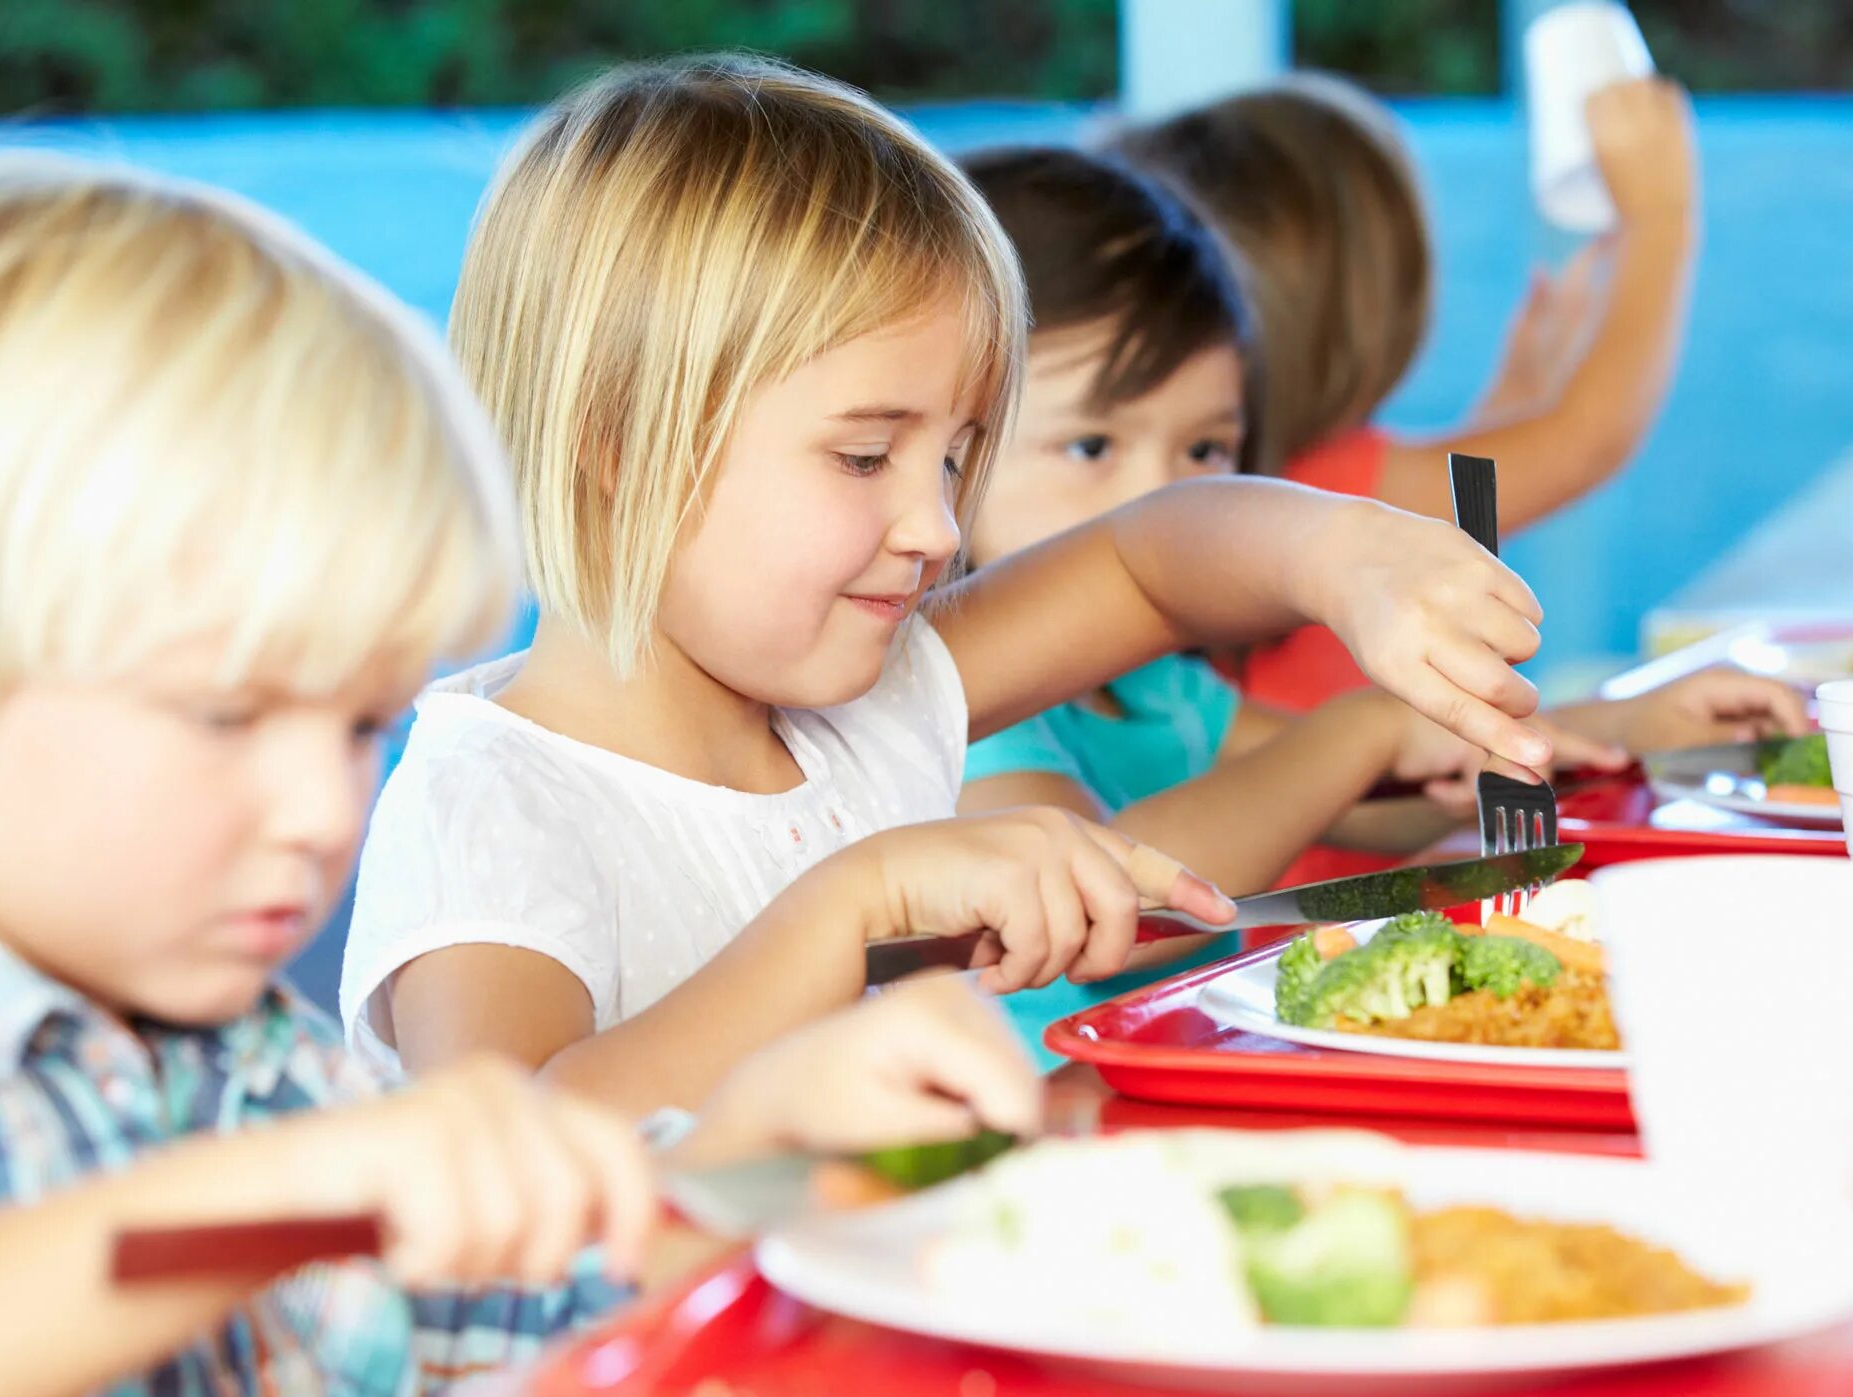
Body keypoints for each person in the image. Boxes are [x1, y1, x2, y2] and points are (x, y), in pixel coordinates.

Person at [0, 154, 1041, 1397]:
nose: (326, 813)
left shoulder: (252, 1063)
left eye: (360, 724)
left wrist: (756, 1158)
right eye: (226, 715)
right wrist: (290, 1192)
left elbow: (508, 1318)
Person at [341, 56, 1549, 1116]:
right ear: (614, 443)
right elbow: (514, 1150)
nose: (933, 525)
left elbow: (1150, 563)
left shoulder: (867, 705)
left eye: (958, 457)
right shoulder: (489, 804)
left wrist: (1345, 557)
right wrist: (851, 905)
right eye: (864, 456)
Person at [953, 145, 1805, 1055]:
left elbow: (1366, 798)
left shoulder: (1155, 688)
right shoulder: (959, 712)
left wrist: (1618, 728)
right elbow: (1119, 915)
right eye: (1091, 448)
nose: (1164, 496)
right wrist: (1359, 729)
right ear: (948, 446)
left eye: (1204, 451)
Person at [1110, 72, 1701, 713]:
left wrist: (1519, 393)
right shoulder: (1320, 490)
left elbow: (1459, 503)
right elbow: (1588, 440)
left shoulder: (1239, 487)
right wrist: (1661, 216)